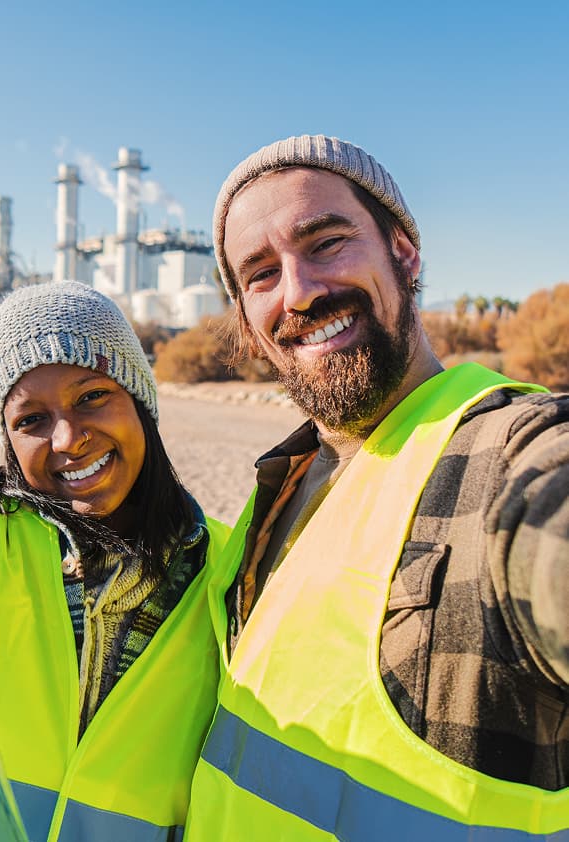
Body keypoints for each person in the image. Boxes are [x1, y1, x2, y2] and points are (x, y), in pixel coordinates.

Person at [183, 135, 569, 839]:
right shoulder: (277, 490)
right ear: (244, 318)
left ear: (404, 251)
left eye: (326, 242)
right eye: (261, 273)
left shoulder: (503, 453)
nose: (298, 291)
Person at [0, 279, 231, 841]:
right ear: (6, 439)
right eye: (30, 419)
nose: (67, 438)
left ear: (141, 400)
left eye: (92, 397)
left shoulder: (225, 566)